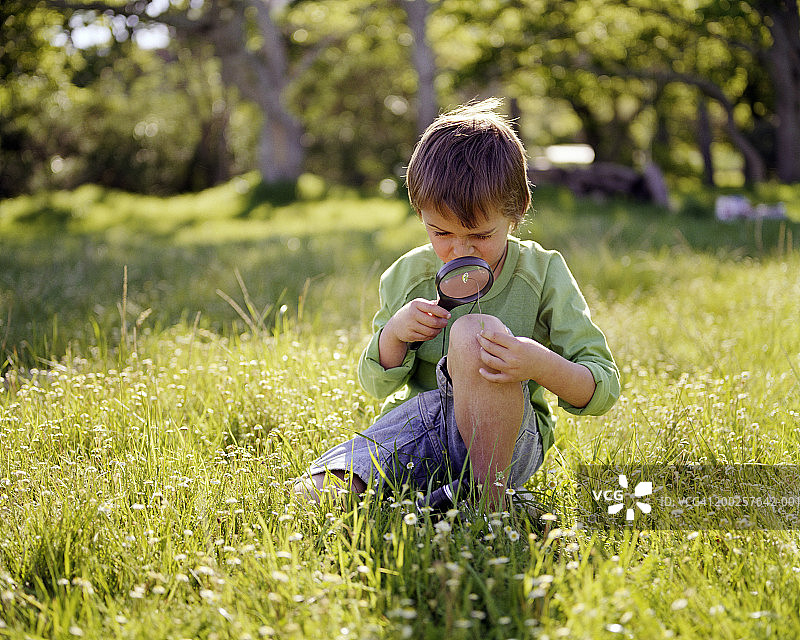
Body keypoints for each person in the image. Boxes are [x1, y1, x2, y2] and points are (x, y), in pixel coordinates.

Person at [294, 98, 620, 510]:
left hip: (507, 441)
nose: (459, 250)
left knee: (474, 333)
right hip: (422, 427)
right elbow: (377, 384)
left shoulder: (543, 273)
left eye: (481, 236)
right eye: (440, 232)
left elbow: (603, 387)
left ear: (517, 211)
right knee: (313, 497)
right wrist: (395, 334)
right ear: (420, 214)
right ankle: (443, 502)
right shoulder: (407, 276)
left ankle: (489, 504)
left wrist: (538, 364)